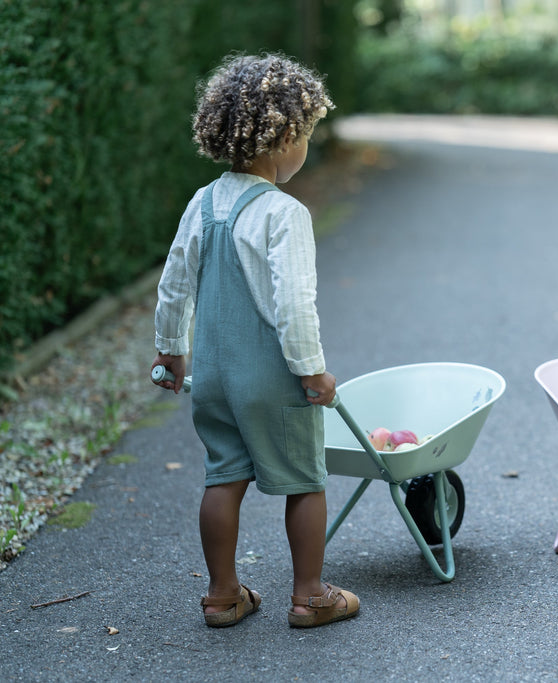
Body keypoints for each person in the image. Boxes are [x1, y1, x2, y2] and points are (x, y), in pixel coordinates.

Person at [152, 54, 358, 628]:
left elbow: (173, 282)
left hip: (214, 374)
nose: (306, 148)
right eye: (308, 136)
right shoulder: (284, 213)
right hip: (271, 376)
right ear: (285, 136)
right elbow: (293, 304)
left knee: (223, 475)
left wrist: (170, 349)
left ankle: (221, 595)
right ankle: (310, 593)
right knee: (305, 479)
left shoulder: (201, 203)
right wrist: (312, 369)